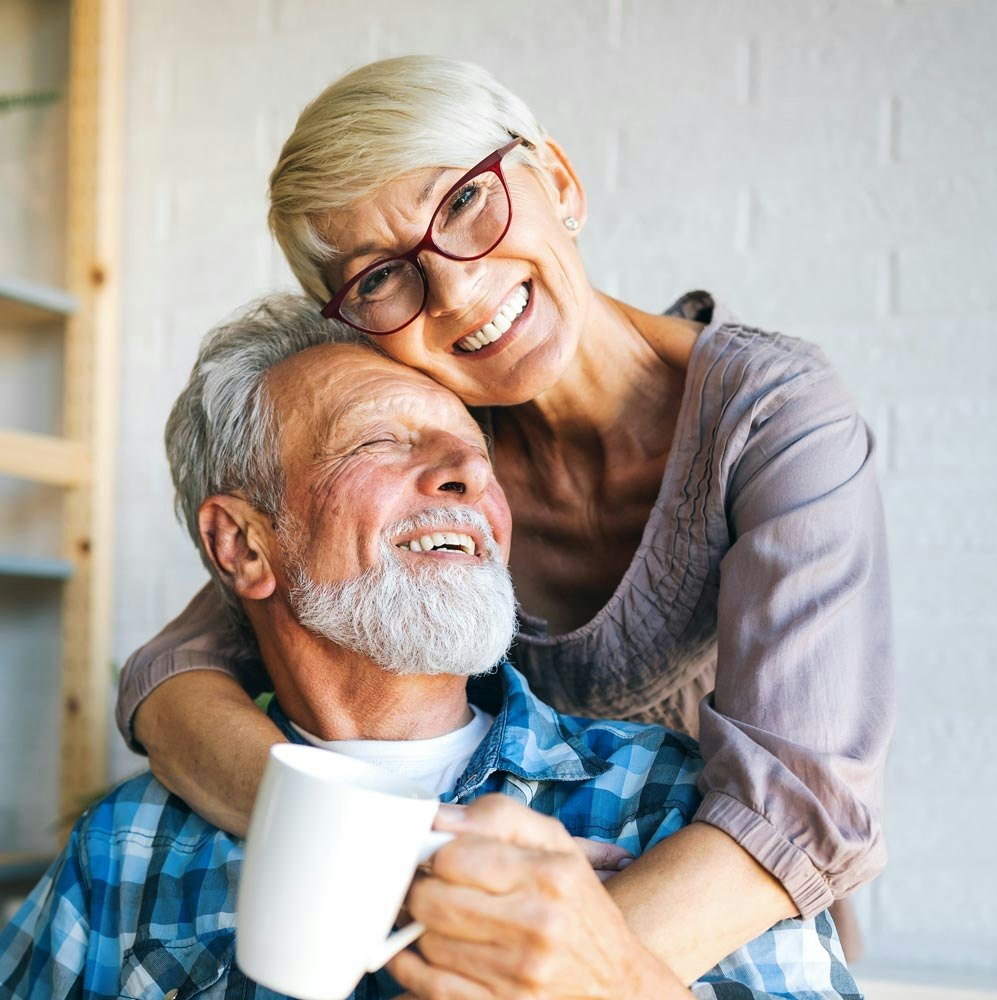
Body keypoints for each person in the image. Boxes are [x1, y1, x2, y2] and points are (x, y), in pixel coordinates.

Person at [117, 56, 893, 978]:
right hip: (460, 896)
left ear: (559, 182)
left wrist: (538, 966)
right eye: (378, 278)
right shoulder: (434, 442)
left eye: (465, 204)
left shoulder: (773, 419)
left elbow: (797, 810)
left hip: (714, 916)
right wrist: (402, 855)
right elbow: (171, 680)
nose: (454, 291)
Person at [1, 296, 861, 999]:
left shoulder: (665, 809)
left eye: (476, 454)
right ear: (244, 547)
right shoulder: (132, 844)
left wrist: (622, 978)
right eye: (381, 441)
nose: (468, 475)